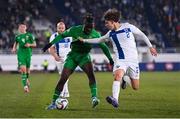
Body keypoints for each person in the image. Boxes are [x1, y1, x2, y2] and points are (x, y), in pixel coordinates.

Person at [80, 9, 158, 108]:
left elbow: (142, 34)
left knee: (135, 87)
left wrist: (150, 46)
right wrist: (84, 41)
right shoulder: (110, 33)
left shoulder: (128, 27)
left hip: (133, 61)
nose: (105, 25)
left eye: (107, 23)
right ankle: (115, 99)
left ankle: (125, 78)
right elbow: (99, 40)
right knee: (117, 76)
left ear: (113, 22)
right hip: (120, 60)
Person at [42, 13, 114, 109]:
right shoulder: (75, 29)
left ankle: (94, 98)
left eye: (91, 29)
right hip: (72, 56)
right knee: (63, 79)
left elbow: (104, 47)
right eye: (88, 28)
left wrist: (110, 59)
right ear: (84, 26)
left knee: (91, 75)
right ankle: (53, 103)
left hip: (84, 57)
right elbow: (62, 35)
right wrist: (50, 44)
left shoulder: (95, 34)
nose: (89, 30)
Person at [48, 21, 72, 98]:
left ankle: (63, 92)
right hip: (58, 58)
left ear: (65, 28)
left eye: (62, 28)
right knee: (62, 75)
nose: (61, 29)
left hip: (68, 58)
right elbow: (50, 49)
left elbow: (75, 44)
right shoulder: (54, 36)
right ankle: (65, 91)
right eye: (59, 28)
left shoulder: (69, 36)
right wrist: (55, 56)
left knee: (65, 75)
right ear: (57, 28)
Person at [12, 23, 36, 93]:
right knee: (23, 70)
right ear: (19, 29)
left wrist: (29, 44)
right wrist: (14, 48)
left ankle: (27, 79)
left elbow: (35, 44)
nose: (22, 28)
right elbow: (16, 43)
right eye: (20, 27)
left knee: (28, 70)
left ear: (26, 28)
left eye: (23, 27)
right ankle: (25, 87)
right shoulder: (17, 36)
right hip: (20, 54)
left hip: (28, 54)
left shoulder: (30, 35)